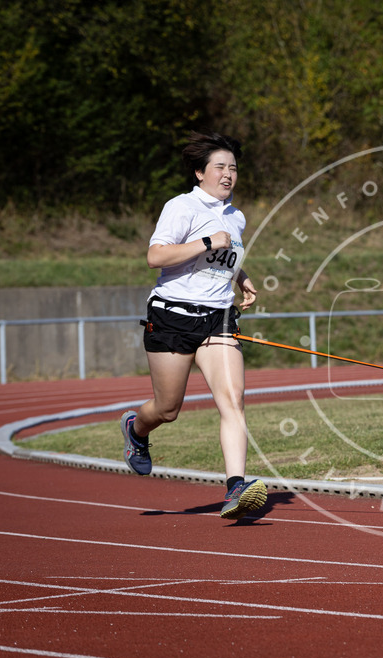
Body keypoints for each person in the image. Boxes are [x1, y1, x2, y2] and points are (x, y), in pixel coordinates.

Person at [120, 131, 267, 521]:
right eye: (220, 167)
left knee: (233, 400)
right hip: (173, 315)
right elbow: (156, 256)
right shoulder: (181, 206)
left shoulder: (236, 216)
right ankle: (136, 429)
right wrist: (206, 241)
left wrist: (242, 277)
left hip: (218, 317)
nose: (228, 174)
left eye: (233, 168)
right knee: (167, 409)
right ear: (200, 172)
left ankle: (235, 486)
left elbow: (223, 255)